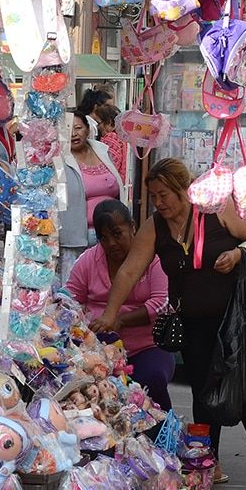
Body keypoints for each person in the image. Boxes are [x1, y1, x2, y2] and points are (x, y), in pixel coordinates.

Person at [95, 158, 246, 490]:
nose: (159, 203)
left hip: (236, 317)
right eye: (154, 196)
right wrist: (111, 313)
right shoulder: (155, 226)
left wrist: (239, 254)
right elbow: (129, 270)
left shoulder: (216, 211)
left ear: (185, 191)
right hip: (193, 321)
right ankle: (212, 461)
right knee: (203, 390)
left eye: (164, 194)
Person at [66, 200, 173, 410]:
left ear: (132, 227)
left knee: (150, 380)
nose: (111, 243)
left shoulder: (153, 259)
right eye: (103, 238)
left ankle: (162, 430)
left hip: (147, 347)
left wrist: (119, 320)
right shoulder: (88, 261)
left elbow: (162, 303)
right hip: (98, 352)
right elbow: (69, 300)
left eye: (117, 234)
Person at [60, 112, 123, 278]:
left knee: (107, 286)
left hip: (110, 235)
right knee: (75, 290)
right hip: (77, 238)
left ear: (88, 130)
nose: (73, 133)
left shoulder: (103, 151)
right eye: (67, 129)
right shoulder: (59, 159)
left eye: (78, 128)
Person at [92, 101, 127, 184]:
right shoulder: (121, 138)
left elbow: (107, 167)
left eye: (99, 123)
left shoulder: (111, 139)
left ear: (109, 122)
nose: (98, 127)